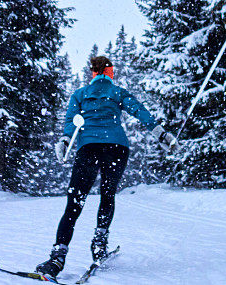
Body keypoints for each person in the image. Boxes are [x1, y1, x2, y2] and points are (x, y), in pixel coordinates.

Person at [35, 55, 178, 279]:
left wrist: (64, 141)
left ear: (93, 73)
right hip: (116, 148)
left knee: (75, 201)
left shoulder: (80, 94)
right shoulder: (118, 92)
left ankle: (57, 257)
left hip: (89, 148)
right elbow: (140, 111)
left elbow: (71, 122)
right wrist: (161, 134)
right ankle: (99, 244)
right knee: (107, 194)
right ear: (110, 72)